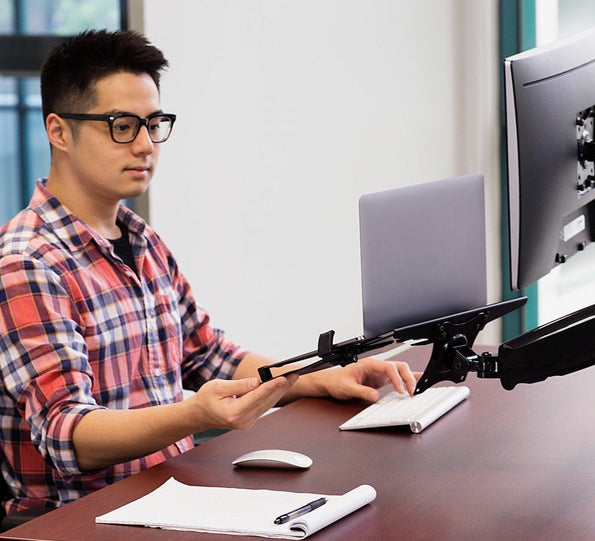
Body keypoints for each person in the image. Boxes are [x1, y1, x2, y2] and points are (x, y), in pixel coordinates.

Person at [0, 29, 416, 516]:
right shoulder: (27, 262)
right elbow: (66, 435)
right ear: (59, 131)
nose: (144, 145)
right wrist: (193, 414)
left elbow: (207, 354)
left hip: (168, 498)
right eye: (121, 125)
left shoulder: (141, 240)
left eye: (153, 124)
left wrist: (320, 377)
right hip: (82, 534)